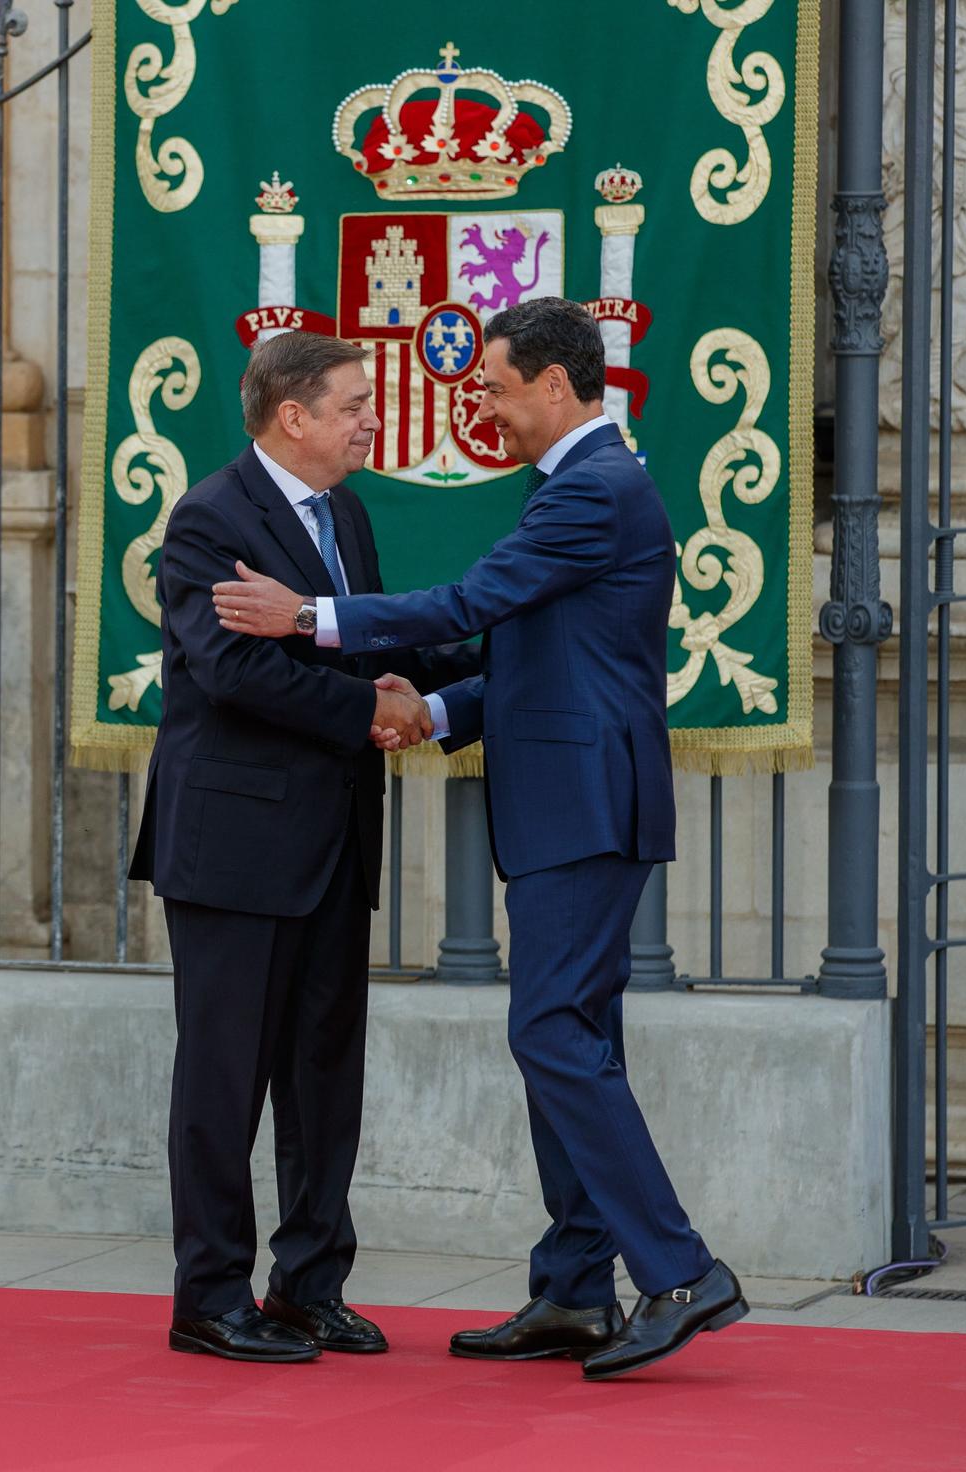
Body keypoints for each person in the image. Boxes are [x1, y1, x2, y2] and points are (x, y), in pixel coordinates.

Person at [211, 297, 745, 1381]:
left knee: (552, 1033)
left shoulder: (592, 488)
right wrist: (432, 711)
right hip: (575, 800)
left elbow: (468, 599)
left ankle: (680, 1271)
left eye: (496, 388)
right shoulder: (584, 487)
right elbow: (531, 659)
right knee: (573, 1035)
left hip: (582, 806)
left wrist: (305, 617)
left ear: (554, 384)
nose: (485, 409)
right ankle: (574, 1289)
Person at [133, 330, 472, 1363]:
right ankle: (209, 1292)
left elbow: (358, 638)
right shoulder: (208, 516)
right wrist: (367, 713)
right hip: (234, 846)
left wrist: (465, 655)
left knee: (325, 1072)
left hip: (329, 840)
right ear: (293, 415)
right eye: (354, 403)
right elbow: (233, 669)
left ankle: (308, 1283)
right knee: (224, 1077)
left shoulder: (347, 513)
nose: (371, 417)